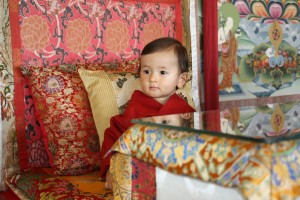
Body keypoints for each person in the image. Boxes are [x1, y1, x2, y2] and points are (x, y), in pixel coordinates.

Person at [99, 37, 195, 189]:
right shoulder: (135, 107)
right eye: (146, 71)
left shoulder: (186, 112)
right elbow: (114, 138)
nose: (153, 78)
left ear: (181, 79)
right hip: (140, 176)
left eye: (162, 72)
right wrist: (111, 168)